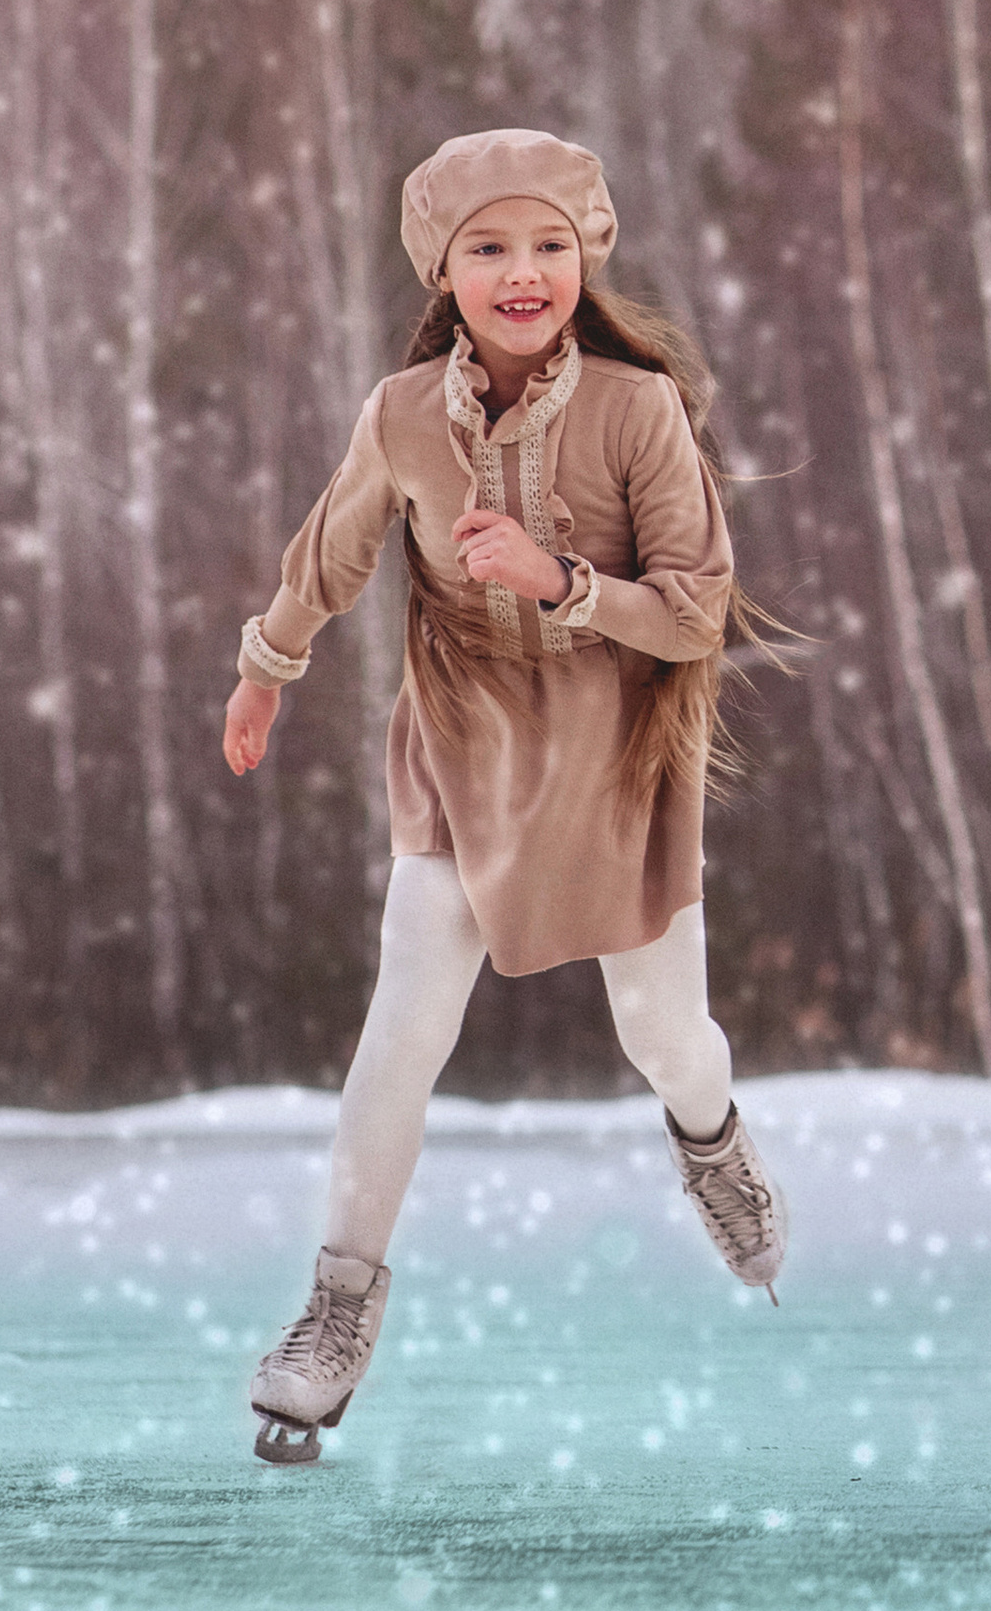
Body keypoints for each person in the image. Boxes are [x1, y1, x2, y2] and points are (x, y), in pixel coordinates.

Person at [224, 129, 786, 1465]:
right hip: (464, 748)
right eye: (488, 248)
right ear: (447, 269)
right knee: (401, 1028)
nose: (521, 272)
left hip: (612, 762)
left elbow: (699, 616)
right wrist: (264, 669)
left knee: (669, 1036)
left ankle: (711, 1138)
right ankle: (334, 1306)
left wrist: (562, 583)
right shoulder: (406, 412)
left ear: (585, 258)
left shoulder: (639, 412)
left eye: (546, 244)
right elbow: (331, 550)